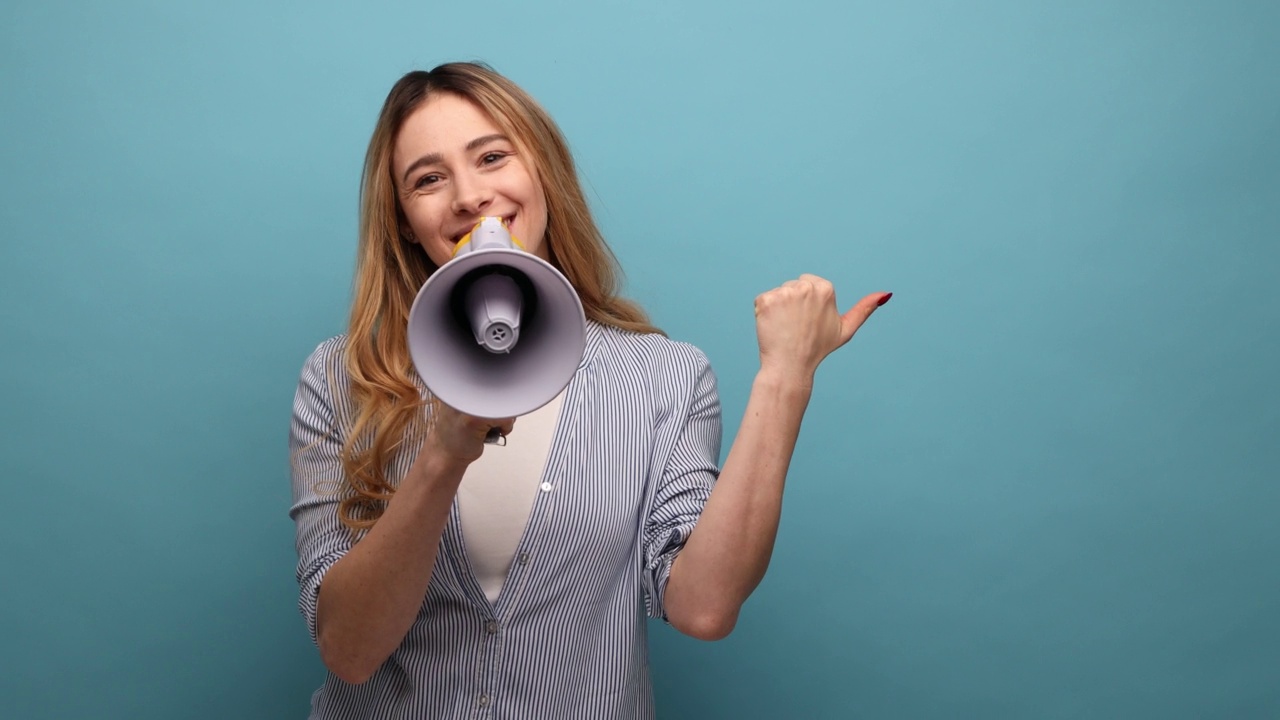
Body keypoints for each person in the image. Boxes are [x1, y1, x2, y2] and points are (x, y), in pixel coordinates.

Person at [288, 61, 891, 719]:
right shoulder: (340, 380)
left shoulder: (665, 378)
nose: (469, 196)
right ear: (405, 220)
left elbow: (704, 606)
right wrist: (444, 454)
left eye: (492, 157)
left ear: (541, 171)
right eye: (428, 179)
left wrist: (785, 379)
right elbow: (347, 651)